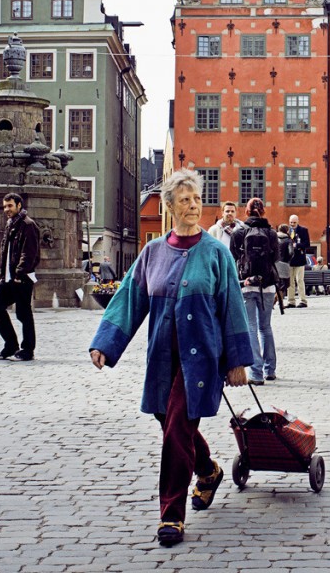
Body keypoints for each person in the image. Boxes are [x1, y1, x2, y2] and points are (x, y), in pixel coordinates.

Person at [88, 169, 253, 548]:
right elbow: (130, 298)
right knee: (172, 426)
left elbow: (232, 307)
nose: (193, 205)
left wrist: (237, 359)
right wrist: (105, 343)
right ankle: (208, 471)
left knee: (177, 428)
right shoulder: (153, 252)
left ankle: (171, 515)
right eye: (184, 200)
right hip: (163, 356)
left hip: (202, 358)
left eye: (196, 199)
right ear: (170, 207)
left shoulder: (216, 253)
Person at [230, 197, 280, 386]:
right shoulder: (271, 233)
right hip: (267, 286)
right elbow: (276, 257)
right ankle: (271, 369)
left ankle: (256, 373)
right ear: (263, 211)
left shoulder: (239, 232)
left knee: (250, 328)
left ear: (246, 212)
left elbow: (233, 256)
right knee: (265, 328)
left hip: (246, 284)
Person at [0, 193, 41, 362]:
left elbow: (30, 253)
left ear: (19, 205)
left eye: (10, 206)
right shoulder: (11, 224)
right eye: (5, 206)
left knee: (23, 313)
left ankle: (28, 350)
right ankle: (11, 345)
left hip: (22, 277)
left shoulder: (28, 225)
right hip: (8, 277)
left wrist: (20, 273)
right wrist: (3, 275)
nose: (6, 209)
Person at [287, 215, 311, 308]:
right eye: (291, 222)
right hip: (290, 259)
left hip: (300, 259)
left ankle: (303, 300)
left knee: (299, 280)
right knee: (290, 281)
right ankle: (291, 301)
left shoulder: (303, 230)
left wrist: (297, 245)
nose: (292, 224)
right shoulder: (287, 230)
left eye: (294, 222)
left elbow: (307, 244)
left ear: (298, 221)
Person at [275, 223, 292, 306]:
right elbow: (291, 252)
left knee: (276, 284)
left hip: (275, 263)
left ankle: (276, 302)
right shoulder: (288, 240)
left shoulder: (274, 238)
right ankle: (278, 302)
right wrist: (288, 260)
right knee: (284, 285)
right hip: (284, 263)